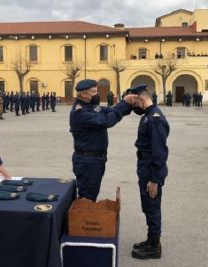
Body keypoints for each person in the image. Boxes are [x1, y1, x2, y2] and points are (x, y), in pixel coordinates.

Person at [70, 79, 137, 201]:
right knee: (87, 198)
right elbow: (106, 121)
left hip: (95, 160)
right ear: (83, 94)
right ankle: (84, 219)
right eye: (93, 92)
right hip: (87, 162)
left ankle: (86, 217)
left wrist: (126, 104)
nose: (97, 94)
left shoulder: (91, 106)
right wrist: (124, 104)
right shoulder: (80, 112)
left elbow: (108, 111)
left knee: (92, 193)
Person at [129, 84, 170, 260]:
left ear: (140, 98)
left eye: (133, 102)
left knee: (152, 205)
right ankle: (150, 239)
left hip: (151, 168)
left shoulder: (155, 118)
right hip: (145, 165)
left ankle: (155, 246)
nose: (133, 107)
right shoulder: (148, 116)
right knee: (148, 204)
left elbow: (159, 152)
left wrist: (154, 179)